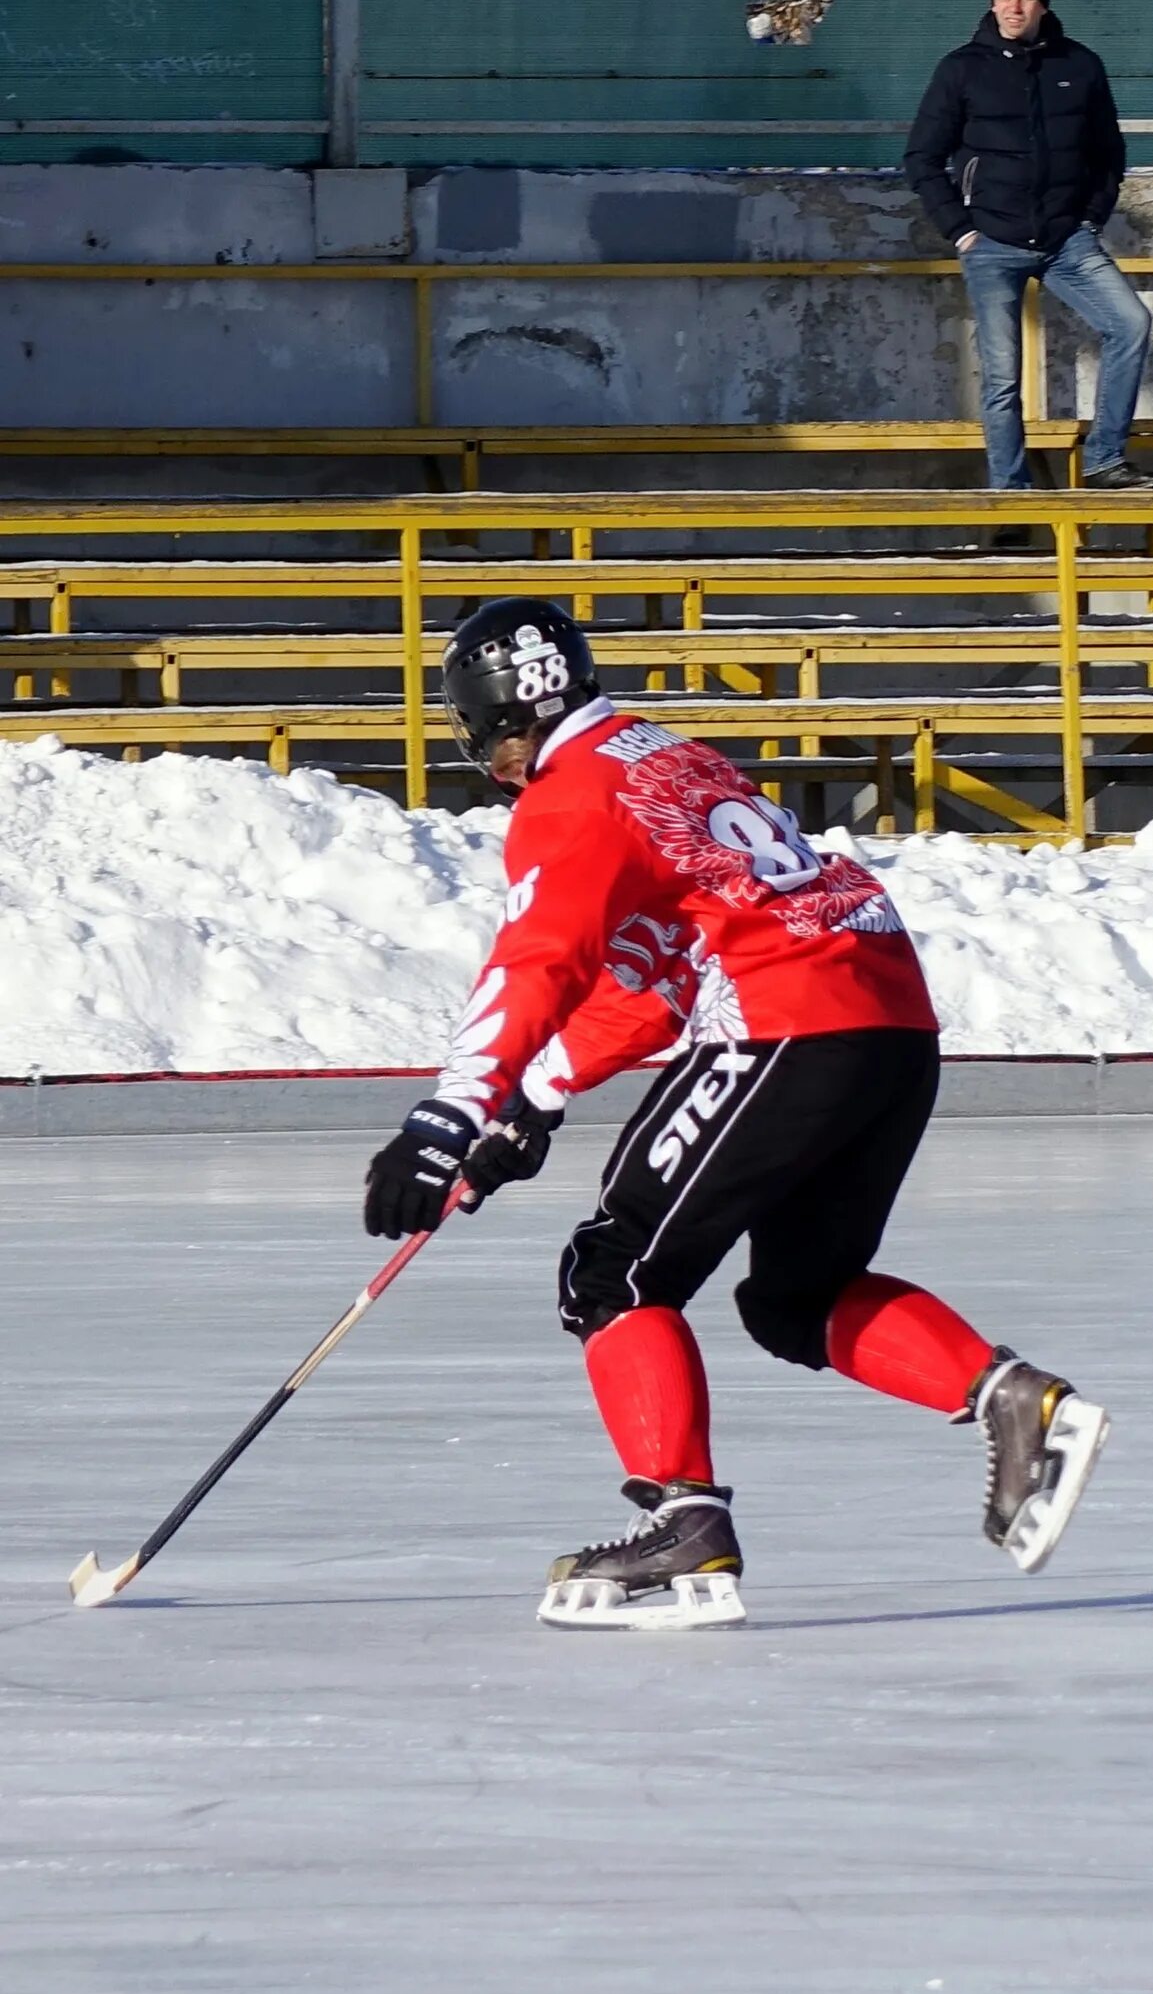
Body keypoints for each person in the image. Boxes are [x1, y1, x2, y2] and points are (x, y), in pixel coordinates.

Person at [362, 599, 1108, 1630]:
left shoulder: (571, 796)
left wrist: (450, 1111)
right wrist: (533, 1098)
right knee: (797, 1295)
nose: (500, 774)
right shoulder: (672, 760)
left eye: (490, 750)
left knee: (616, 1267)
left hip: (785, 1020)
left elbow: (540, 960)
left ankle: (684, 1527)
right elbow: (660, 972)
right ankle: (1015, 1401)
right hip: (887, 1021)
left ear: (503, 724)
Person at [904, 0, 1153, 493]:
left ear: (1043, 4)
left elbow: (1108, 152)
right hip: (991, 241)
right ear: (991, 2)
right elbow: (922, 158)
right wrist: (960, 228)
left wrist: (1092, 216)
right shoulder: (962, 68)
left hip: (1065, 238)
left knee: (1131, 324)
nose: (1013, 7)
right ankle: (1011, 492)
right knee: (1003, 377)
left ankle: (1105, 460)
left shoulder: (1080, 65)